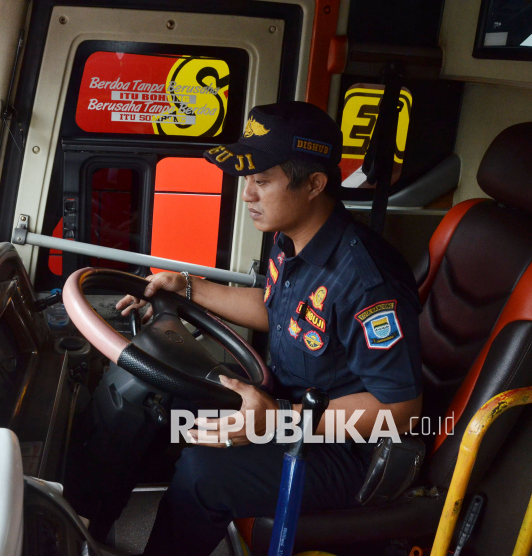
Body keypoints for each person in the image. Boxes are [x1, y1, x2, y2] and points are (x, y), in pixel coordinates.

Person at [116, 101, 423, 556]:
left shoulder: (366, 282)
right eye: (247, 181)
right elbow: (277, 308)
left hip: (349, 451)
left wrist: (279, 419)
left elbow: (399, 411)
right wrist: (184, 288)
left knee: (203, 474)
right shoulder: (293, 237)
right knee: (159, 388)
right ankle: (85, 515)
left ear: (315, 184)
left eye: (261, 182)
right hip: (292, 404)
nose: (246, 196)